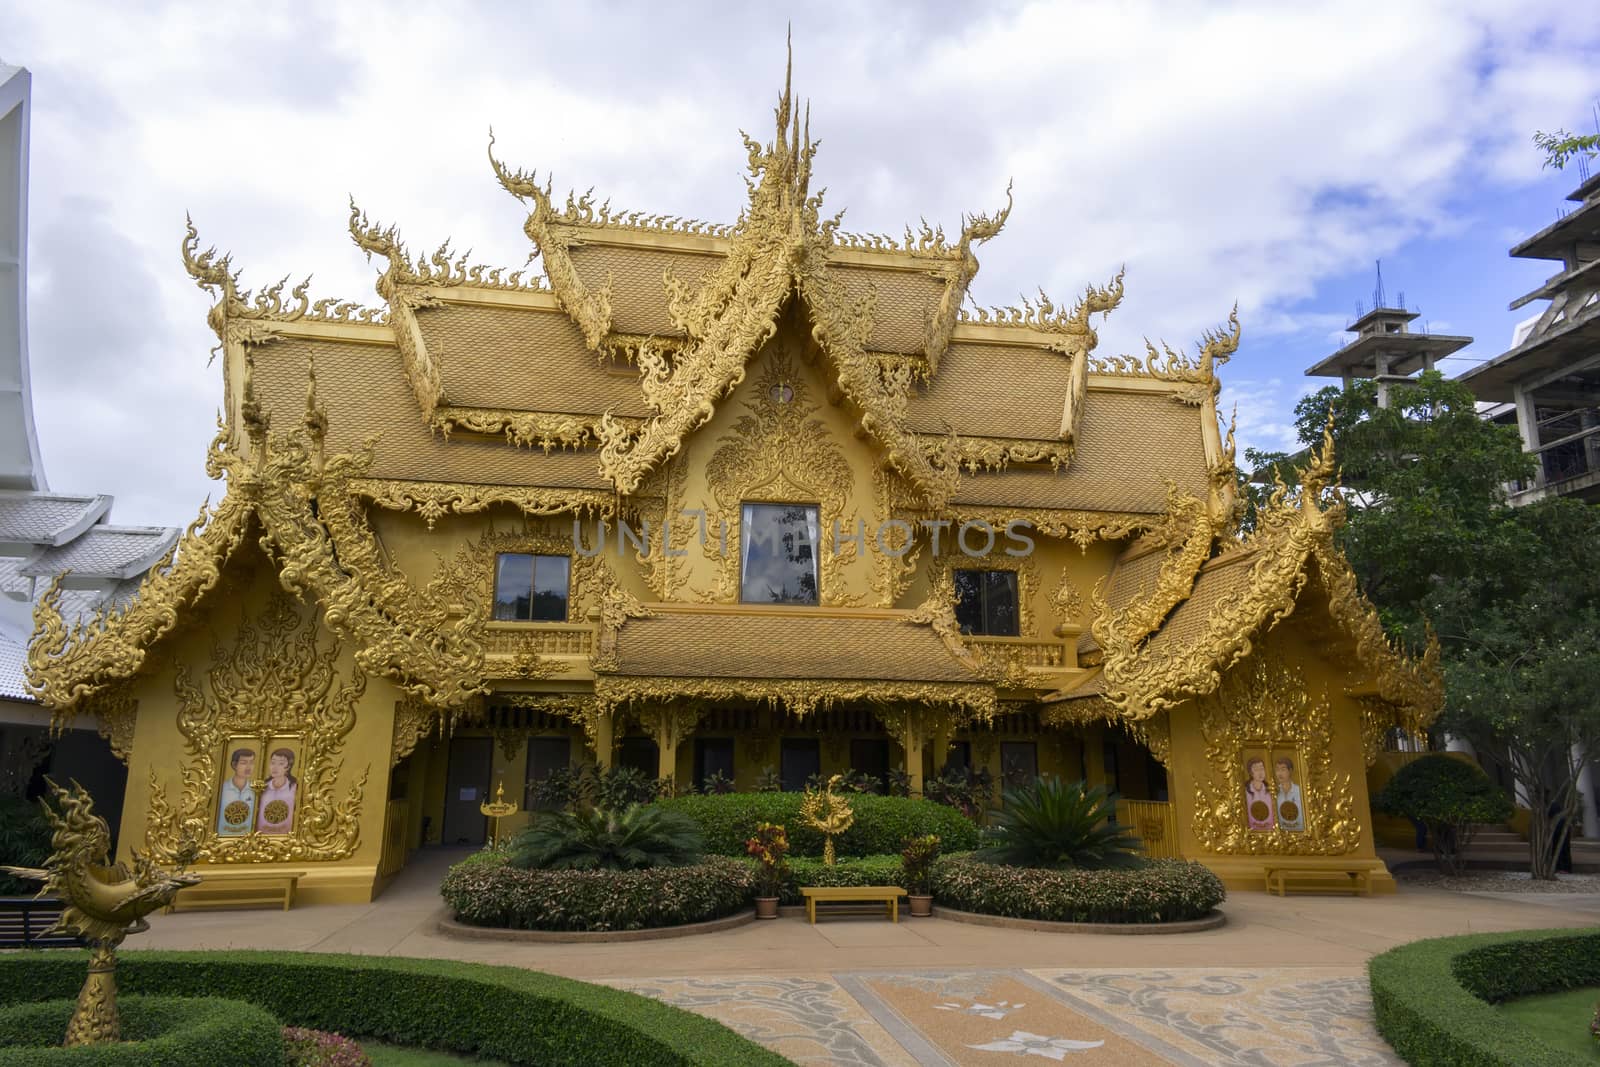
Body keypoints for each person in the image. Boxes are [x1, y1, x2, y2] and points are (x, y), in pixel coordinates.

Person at [256, 748, 298, 835]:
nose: (275, 767)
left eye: (281, 764)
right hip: (261, 835)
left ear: (289, 766)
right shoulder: (261, 787)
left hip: (286, 836)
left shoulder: (295, 788)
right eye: (273, 762)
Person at [216, 748, 256, 836]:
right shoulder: (221, 789)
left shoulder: (255, 790)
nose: (248, 767)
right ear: (234, 765)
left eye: (251, 762)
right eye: (244, 763)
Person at [1274, 756, 1305, 831]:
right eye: (1277, 769)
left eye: (1283, 769)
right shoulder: (1274, 791)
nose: (1280, 773)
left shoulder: (1300, 791)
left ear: (1290, 771)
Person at [1245, 757, 1275, 831]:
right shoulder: (1245, 791)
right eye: (1256, 770)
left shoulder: (1271, 790)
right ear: (1250, 772)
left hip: (1270, 830)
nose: (1260, 773)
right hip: (1252, 831)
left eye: (1262, 769)